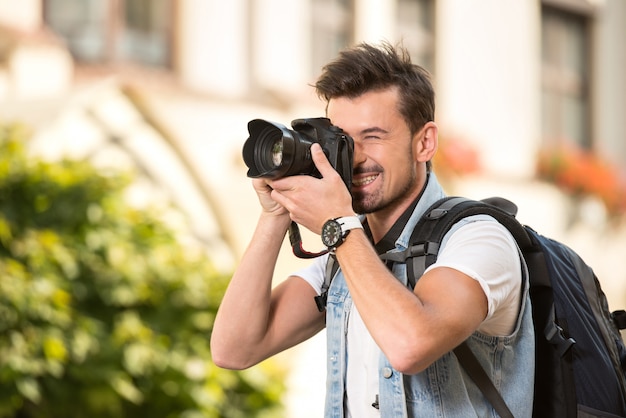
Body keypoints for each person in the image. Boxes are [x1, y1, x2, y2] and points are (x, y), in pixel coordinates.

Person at [210, 41, 534, 417]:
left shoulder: (479, 239)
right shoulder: (349, 254)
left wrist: (339, 225)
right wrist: (274, 215)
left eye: (374, 136)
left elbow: (410, 345)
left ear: (424, 142)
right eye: (344, 140)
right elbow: (234, 349)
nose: (356, 157)